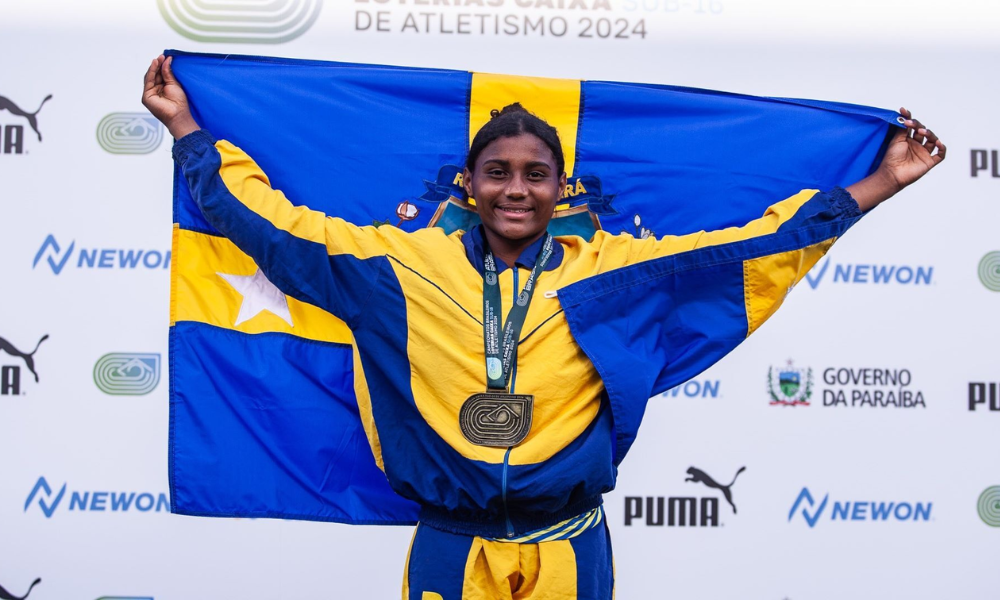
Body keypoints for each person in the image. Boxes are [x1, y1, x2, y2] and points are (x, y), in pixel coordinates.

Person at [143, 54, 944, 599]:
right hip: (452, 544)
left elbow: (752, 246)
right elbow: (274, 228)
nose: (515, 190)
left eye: (535, 175)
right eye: (498, 173)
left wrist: (880, 181)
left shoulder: (612, 270)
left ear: (563, 190)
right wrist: (188, 133)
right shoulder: (395, 264)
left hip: (569, 543)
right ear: (468, 183)